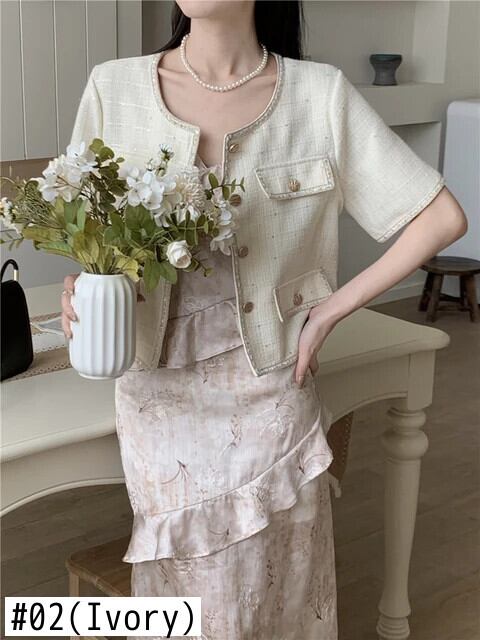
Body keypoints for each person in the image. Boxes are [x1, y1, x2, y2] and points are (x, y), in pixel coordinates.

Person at [61, 2, 467, 638]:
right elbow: (85, 232)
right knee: (189, 605)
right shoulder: (113, 88)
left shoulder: (320, 96)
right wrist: (83, 286)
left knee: (281, 594)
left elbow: (440, 217)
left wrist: (330, 310)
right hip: (159, 405)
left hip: (273, 394)